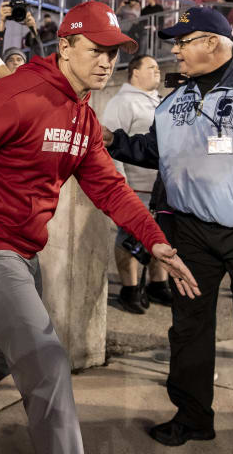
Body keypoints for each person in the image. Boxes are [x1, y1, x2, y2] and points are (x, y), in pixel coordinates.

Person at [0, 0, 198, 454]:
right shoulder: (18, 95)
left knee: (6, 351)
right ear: (65, 46)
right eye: (95, 50)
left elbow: (111, 189)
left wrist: (155, 241)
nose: (106, 62)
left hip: (23, 251)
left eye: (114, 53)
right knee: (47, 363)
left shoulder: (82, 115)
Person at [102, 7, 233, 453]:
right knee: (188, 332)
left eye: (183, 42)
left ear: (214, 44)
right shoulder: (173, 101)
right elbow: (153, 151)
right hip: (192, 235)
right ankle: (193, 417)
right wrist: (112, 142)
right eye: (175, 43)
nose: (175, 51)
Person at [101, 55, 170, 314]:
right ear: (134, 73)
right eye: (151, 67)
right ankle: (129, 288)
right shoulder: (122, 102)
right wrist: (121, 185)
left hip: (160, 187)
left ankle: (157, 283)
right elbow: (109, 145)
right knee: (128, 237)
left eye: (158, 66)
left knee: (160, 235)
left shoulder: (161, 100)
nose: (157, 71)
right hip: (134, 188)